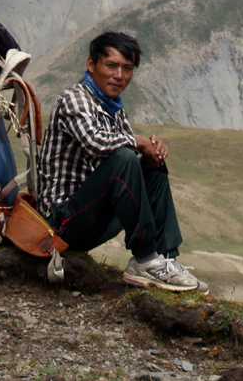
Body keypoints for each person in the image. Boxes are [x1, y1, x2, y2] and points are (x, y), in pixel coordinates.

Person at [38, 31, 203, 292]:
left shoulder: (113, 108)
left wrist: (151, 152)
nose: (119, 75)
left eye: (127, 68)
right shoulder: (74, 99)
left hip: (93, 214)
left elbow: (128, 149)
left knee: (152, 164)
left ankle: (166, 259)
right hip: (62, 222)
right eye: (111, 65)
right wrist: (138, 142)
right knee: (125, 158)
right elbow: (96, 143)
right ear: (91, 65)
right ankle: (145, 258)